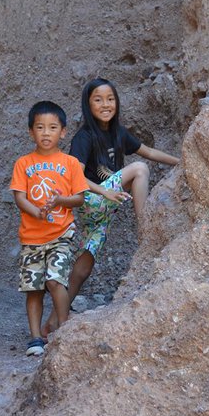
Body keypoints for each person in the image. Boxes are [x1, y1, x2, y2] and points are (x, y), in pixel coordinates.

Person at [43, 77, 180, 335]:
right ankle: (146, 229)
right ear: (88, 104)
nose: (105, 104)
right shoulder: (84, 137)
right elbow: (75, 178)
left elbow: (149, 151)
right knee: (139, 169)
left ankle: (53, 321)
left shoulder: (118, 133)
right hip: (91, 198)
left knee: (86, 262)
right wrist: (104, 190)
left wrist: (182, 161)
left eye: (110, 98)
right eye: (98, 99)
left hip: (103, 209)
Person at [10, 100, 89, 356]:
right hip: (31, 238)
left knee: (56, 282)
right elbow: (20, 196)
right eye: (40, 127)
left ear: (63, 132)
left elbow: (79, 197)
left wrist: (59, 201)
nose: (46, 133)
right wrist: (38, 212)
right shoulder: (24, 163)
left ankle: (63, 330)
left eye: (52, 127)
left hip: (61, 235)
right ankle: (35, 338)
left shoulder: (71, 163)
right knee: (33, 289)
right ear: (31, 132)